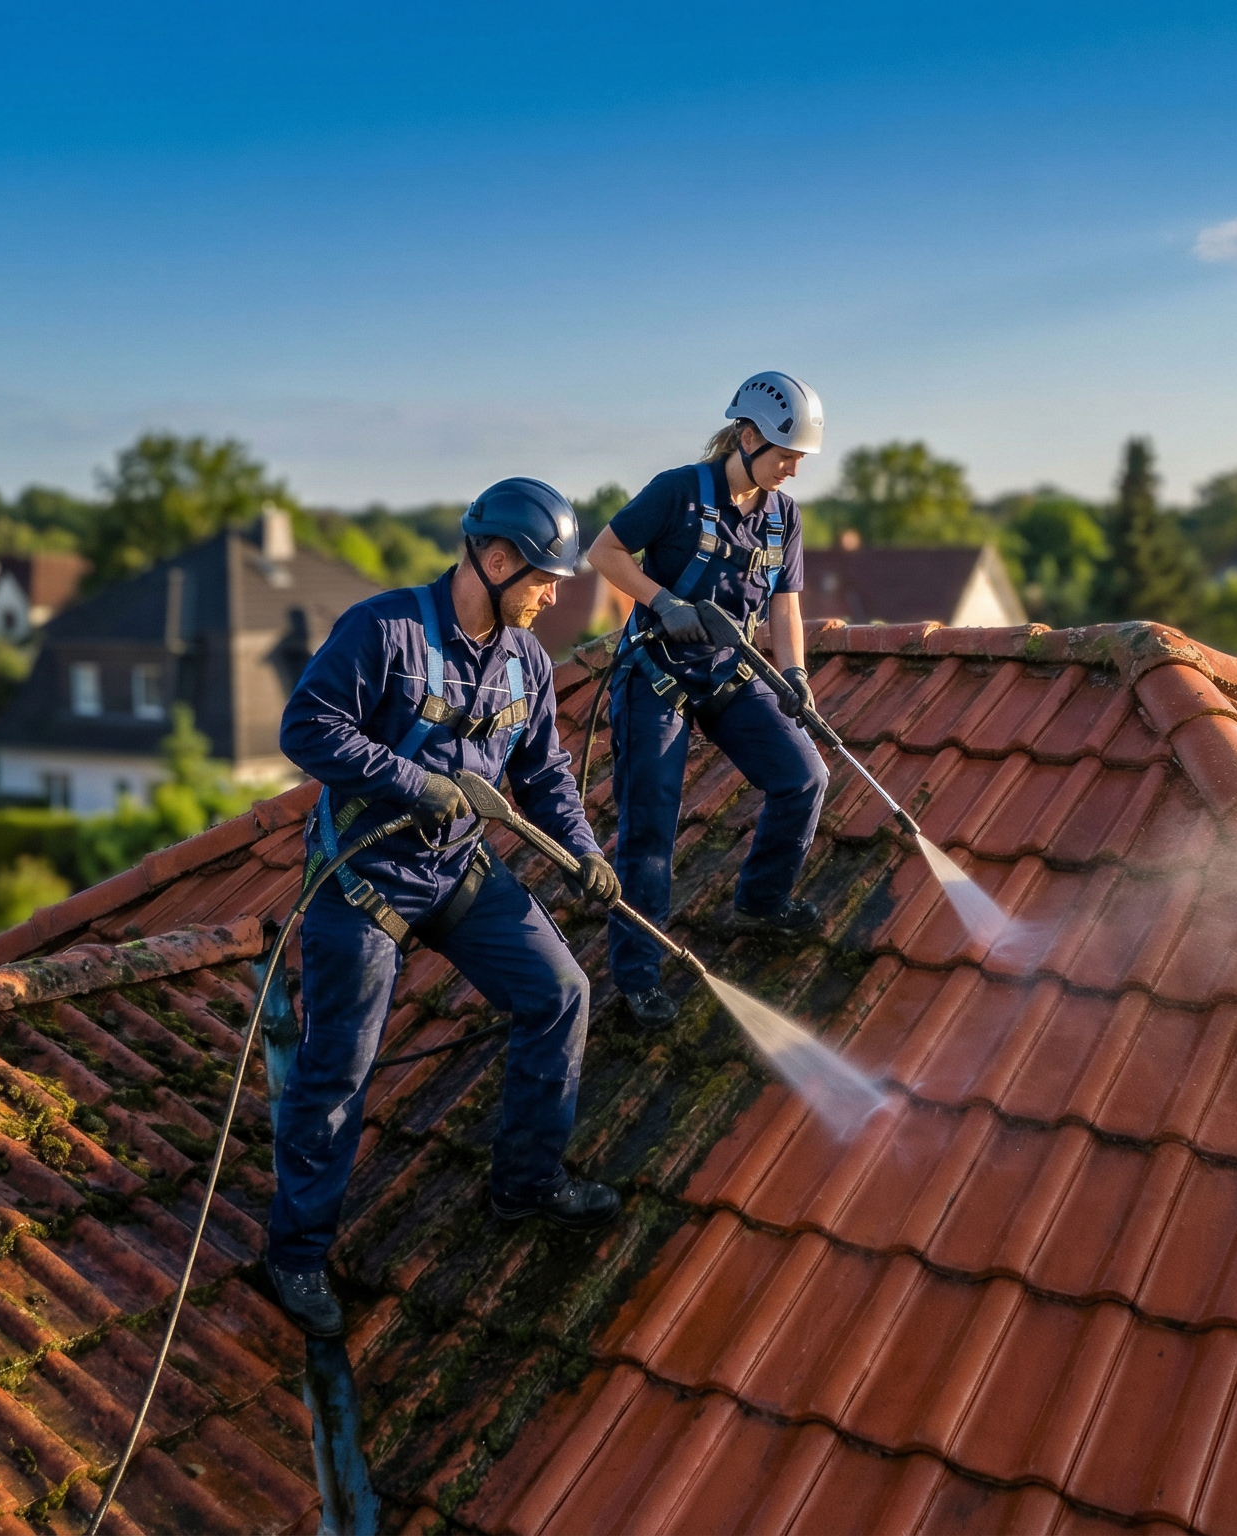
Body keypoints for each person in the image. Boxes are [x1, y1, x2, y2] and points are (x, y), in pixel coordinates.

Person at [262, 477, 625, 1339]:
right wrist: (413, 780)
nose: (556, 592)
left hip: (460, 874)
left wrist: (585, 852)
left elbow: (543, 781)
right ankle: (296, 1254)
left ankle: (527, 1181)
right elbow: (306, 728)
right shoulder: (383, 631)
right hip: (363, 882)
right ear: (494, 561)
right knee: (338, 1069)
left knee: (561, 992)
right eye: (544, 575)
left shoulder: (527, 664)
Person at [586, 371, 830, 1026]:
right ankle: (639, 978)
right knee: (652, 831)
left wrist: (796, 676)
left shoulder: (784, 519)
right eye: (785, 457)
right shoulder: (676, 492)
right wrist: (662, 601)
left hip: (730, 672)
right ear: (747, 437)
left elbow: (785, 605)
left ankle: (761, 901)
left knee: (805, 776)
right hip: (656, 676)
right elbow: (603, 552)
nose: (793, 472)